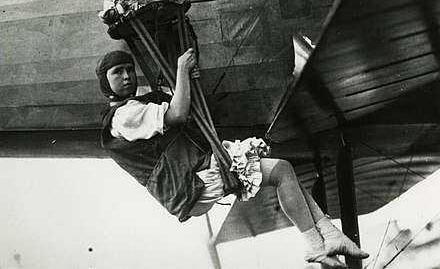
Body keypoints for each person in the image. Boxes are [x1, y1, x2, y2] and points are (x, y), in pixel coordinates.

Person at [96, 49, 369, 268]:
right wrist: (181, 69)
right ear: (105, 83)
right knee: (282, 172)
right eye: (117, 72)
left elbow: (180, 108)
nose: (127, 76)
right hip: (192, 182)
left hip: (192, 178)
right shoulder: (124, 116)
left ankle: (329, 236)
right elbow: (178, 114)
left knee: (283, 173)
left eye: (129, 69)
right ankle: (315, 243)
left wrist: (184, 82)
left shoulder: (135, 106)